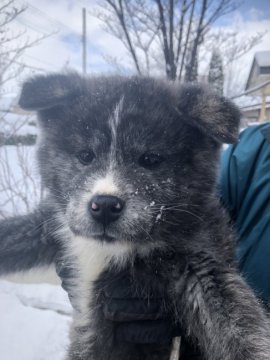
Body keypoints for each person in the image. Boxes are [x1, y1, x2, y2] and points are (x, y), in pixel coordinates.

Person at [0, 123, 270, 357]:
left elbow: (209, 277)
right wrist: (85, 263)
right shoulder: (257, 150)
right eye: (86, 156)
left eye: (149, 160)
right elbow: (201, 207)